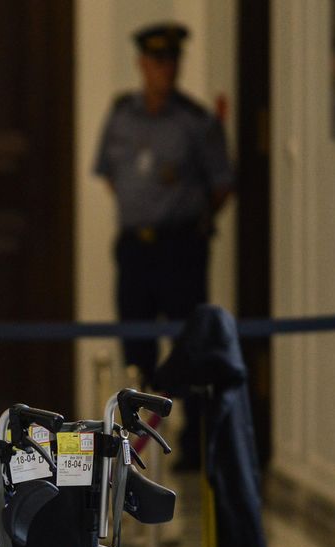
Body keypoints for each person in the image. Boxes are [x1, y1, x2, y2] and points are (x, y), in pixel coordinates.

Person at [94, 22, 233, 469]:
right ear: (141, 65)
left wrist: (178, 215)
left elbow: (221, 186)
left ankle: (193, 439)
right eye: (156, 62)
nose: (164, 70)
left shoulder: (196, 123)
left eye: (171, 61)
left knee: (186, 343)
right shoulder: (120, 115)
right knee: (136, 345)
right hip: (135, 248)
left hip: (180, 249)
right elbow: (112, 176)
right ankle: (138, 441)